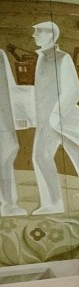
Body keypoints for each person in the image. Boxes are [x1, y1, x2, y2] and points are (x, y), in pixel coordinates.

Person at [30, 21, 79, 214]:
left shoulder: (63, 58)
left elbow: (74, 91)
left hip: (60, 119)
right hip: (46, 120)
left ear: (51, 34)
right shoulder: (41, 59)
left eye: (38, 32)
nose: (34, 35)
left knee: (78, 157)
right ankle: (53, 204)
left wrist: (56, 114)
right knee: (42, 157)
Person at [0, 49, 26, 216]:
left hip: (2, 119)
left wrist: (18, 115)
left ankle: (8, 204)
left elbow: (10, 88)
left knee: (6, 158)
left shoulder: (0, 55)